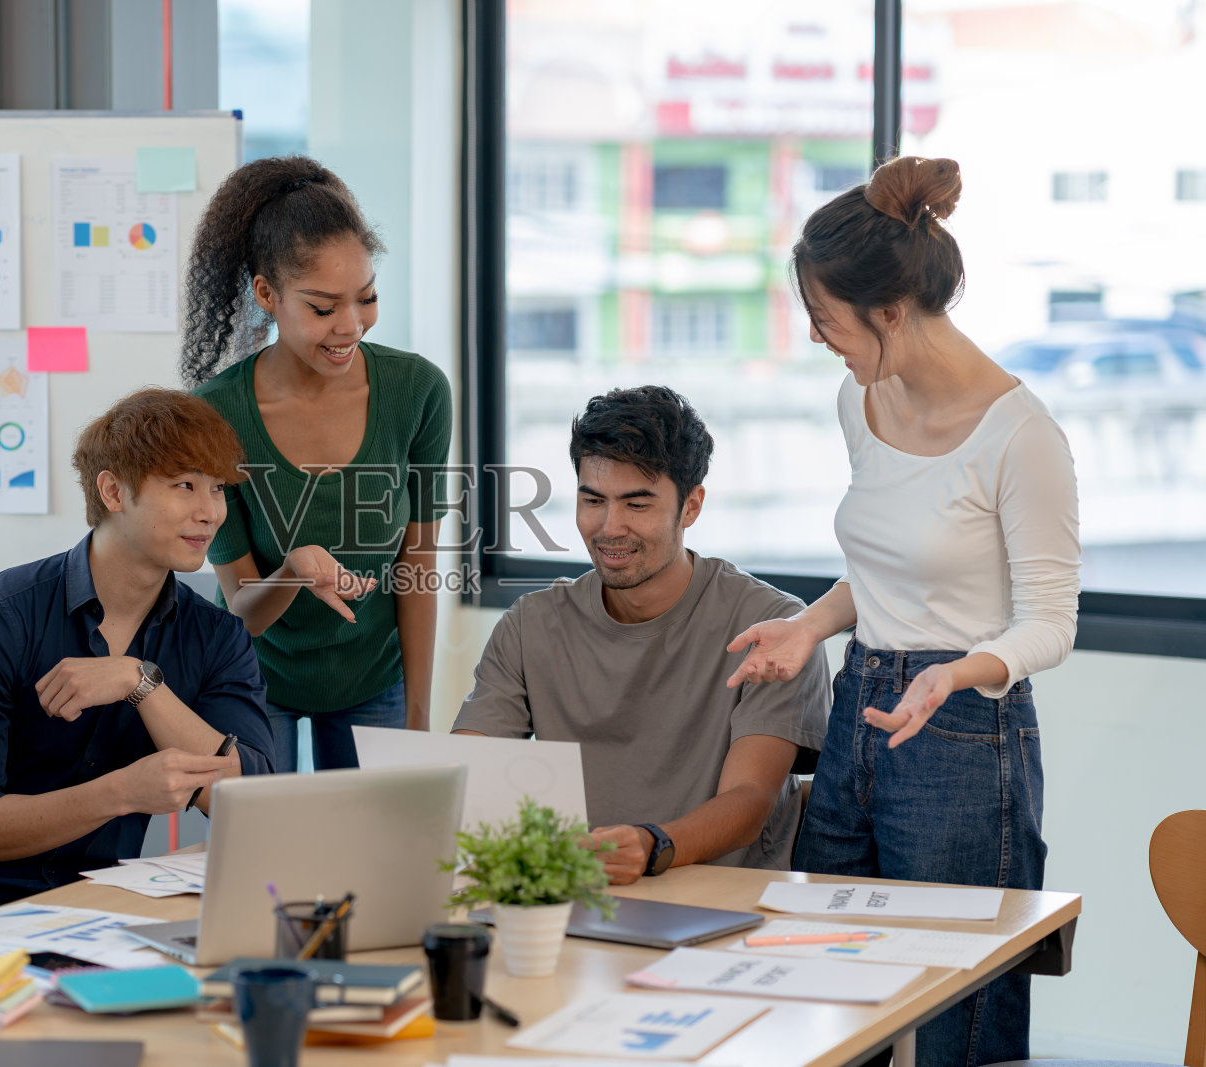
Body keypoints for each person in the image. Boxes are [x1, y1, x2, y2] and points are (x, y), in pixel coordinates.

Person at [726, 156, 1080, 1067]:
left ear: (888, 309)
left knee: (964, 1016)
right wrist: (810, 625)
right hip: (860, 713)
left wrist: (957, 671)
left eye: (825, 319)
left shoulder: (1021, 433)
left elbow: (1050, 621)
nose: (818, 339)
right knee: (822, 988)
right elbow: (888, 576)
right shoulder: (862, 398)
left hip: (963, 731)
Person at [452, 385, 830, 882]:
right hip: (577, 894)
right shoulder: (530, 624)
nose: (610, 527)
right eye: (593, 500)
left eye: (637, 504)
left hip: (722, 899)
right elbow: (467, 770)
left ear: (691, 507)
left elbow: (750, 801)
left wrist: (653, 846)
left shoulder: (774, 626)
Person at [0, 389, 274, 915]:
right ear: (113, 491)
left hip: (108, 907)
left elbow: (248, 801)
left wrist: (141, 683)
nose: (210, 513)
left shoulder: (217, 637)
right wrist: (121, 794)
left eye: (218, 489)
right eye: (185, 486)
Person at [181, 156, 452, 772]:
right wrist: (297, 572)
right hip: (256, 681)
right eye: (324, 307)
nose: (350, 326)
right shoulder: (215, 414)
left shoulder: (418, 391)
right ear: (266, 294)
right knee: (264, 857)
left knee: (372, 856)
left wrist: (417, 715)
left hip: (374, 678)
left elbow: (418, 561)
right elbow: (241, 613)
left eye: (367, 298)